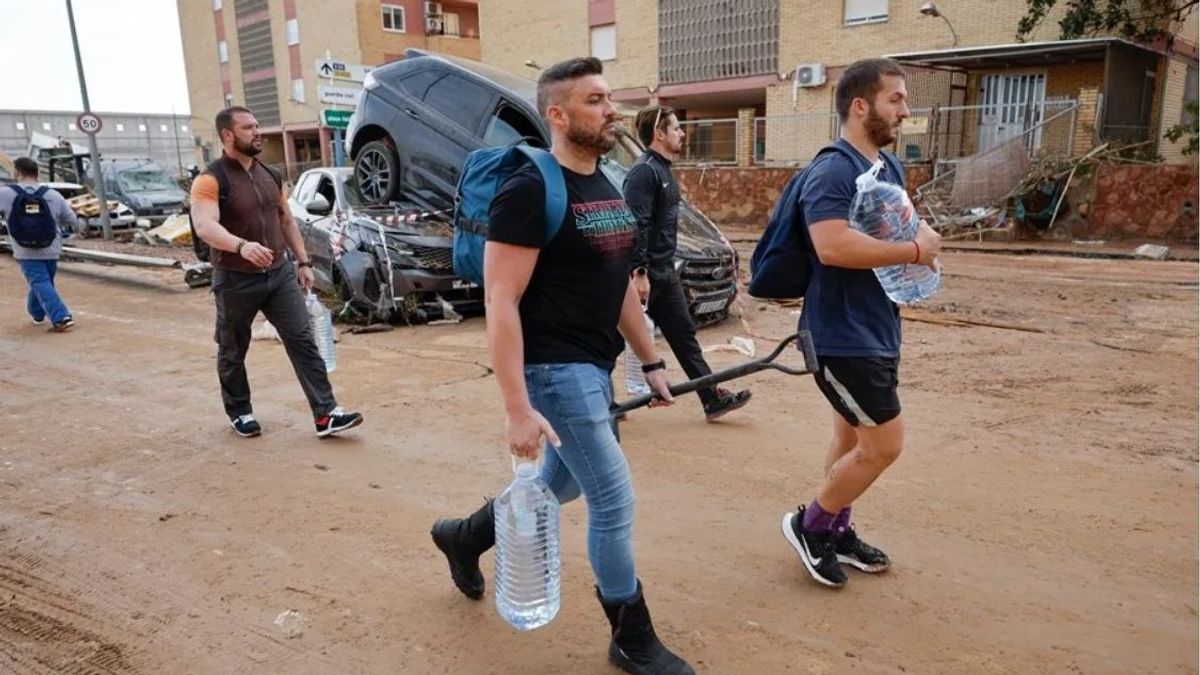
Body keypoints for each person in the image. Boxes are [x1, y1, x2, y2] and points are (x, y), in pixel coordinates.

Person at [430, 58, 695, 675]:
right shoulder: (529, 188)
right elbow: (500, 301)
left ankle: (465, 536)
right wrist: (517, 410)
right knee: (612, 500)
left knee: (566, 482)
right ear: (558, 113)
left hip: (594, 365)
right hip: (552, 370)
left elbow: (621, 285)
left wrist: (651, 361)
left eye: (610, 98)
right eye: (597, 100)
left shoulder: (606, 183)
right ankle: (630, 634)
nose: (612, 111)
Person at [779, 59, 942, 588]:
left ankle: (836, 530)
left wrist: (920, 239)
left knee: (851, 439)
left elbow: (893, 228)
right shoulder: (832, 170)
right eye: (895, 98)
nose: (905, 108)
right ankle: (812, 524)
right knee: (884, 444)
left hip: (876, 325)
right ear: (860, 105)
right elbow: (832, 245)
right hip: (840, 335)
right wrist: (915, 249)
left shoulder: (886, 167)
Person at [190, 106, 363, 439]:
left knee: (302, 339)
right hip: (235, 276)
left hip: (279, 273)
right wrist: (241, 245)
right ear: (227, 135)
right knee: (232, 348)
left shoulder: (270, 175)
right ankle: (240, 412)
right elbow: (204, 225)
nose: (257, 132)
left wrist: (303, 261)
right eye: (247, 128)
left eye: (257, 126)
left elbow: (286, 220)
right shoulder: (210, 179)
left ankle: (326, 414)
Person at [623, 105, 751, 420]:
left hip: (665, 274)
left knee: (684, 337)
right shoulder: (644, 173)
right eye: (676, 128)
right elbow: (635, 225)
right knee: (612, 339)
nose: (682, 133)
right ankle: (600, 403)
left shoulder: (663, 171)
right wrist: (638, 273)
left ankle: (711, 398)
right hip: (645, 276)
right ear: (659, 134)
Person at [0, 156, 84, 332]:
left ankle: (61, 317)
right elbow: (71, 220)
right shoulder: (52, 195)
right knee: (42, 282)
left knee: (40, 282)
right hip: (51, 247)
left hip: (25, 249)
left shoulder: (6, 193)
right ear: (37, 173)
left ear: (17, 172)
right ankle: (37, 314)